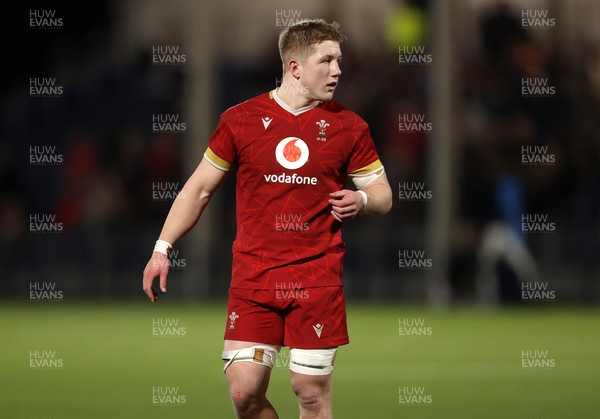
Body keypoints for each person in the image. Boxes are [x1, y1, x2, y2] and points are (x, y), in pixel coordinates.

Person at [143, 19, 392, 419]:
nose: (338, 70)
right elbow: (198, 189)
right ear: (294, 67)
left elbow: (384, 195)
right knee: (244, 393)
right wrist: (161, 248)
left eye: (339, 61)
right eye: (326, 61)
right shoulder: (240, 120)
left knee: (309, 393)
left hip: (317, 277)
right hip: (253, 278)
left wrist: (362, 198)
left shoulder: (349, 126)